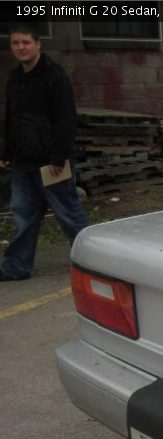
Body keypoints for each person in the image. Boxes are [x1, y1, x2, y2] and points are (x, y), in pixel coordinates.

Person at [0, 23, 88, 281]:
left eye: (26, 42)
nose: (21, 48)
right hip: (23, 165)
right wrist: (7, 152)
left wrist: (59, 156)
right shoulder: (16, 78)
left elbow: (66, 119)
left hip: (52, 164)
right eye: (16, 43)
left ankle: (94, 261)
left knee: (68, 215)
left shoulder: (55, 77)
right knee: (23, 216)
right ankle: (17, 266)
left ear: (38, 44)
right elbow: (11, 117)